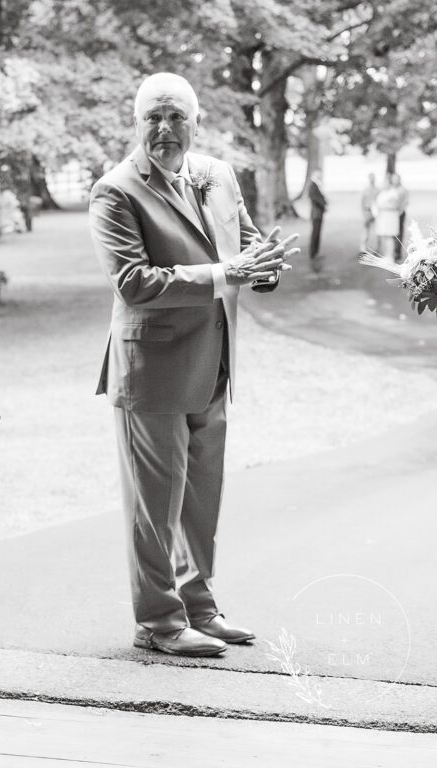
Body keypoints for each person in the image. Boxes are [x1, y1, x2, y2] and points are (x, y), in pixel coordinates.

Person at [89, 72, 297, 658]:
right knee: (156, 505)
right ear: (136, 122)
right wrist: (223, 276)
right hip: (150, 371)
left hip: (215, 364)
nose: (165, 128)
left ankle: (199, 607)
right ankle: (157, 621)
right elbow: (134, 283)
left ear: (195, 121)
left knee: (202, 498)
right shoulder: (115, 192)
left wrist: (265, 266)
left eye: (176, 116)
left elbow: (245, 245)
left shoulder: (217, 175)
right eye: (154, 116)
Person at [374, 173, 402, 262]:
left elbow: (395, 206)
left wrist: (382, 207)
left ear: (389, 183)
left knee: (390, 236)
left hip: (390, 217)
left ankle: (390, 256)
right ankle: (386, 255)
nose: (383, 184)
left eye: (385, 182)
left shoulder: (393, 193)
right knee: (384, 236)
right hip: (383, 217)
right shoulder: (382, 192)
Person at [308, 170, 327, 269]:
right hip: (316, 214)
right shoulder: (312, 186)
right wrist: (323, 205)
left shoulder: (316, 185)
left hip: (319, 213)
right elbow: (315, 198)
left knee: (318, 233)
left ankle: (316, 252)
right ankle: (312, 253)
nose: (320, 177)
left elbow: (321, 197)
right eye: (318, 175)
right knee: (315, 234)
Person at [391, 173, 409, 262]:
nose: (395, 181)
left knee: (399, 233)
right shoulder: (391, 189)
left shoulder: (403, 190)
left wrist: (399, 212)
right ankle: (392, 251)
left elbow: (405, 202)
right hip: (391, 214)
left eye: (396, 179)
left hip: (400, 213)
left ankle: (397, 253)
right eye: (393, 179)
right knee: (391, 233)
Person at [360, 172, 377, 252]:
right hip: (367, 212)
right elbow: (362, 202)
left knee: (377, 231)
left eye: (373, 178)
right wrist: (363, 213)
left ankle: (377, 248)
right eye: (371, 178)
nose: (372, 179)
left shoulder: (377, 189)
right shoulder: (365, 190)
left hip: (376, 213)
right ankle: (363, 248)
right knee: (365, 231)